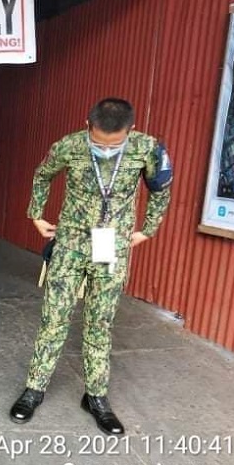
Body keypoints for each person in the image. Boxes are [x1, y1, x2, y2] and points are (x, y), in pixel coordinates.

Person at [9, 97, 172, 435]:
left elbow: (161, 189)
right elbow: (42, 175)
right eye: (99, 143)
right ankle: (34, 389)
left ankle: (96, 396)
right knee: (55, 317)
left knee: (100, 322)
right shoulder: (69, 146)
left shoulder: (147, 149)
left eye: (115, 144)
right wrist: (36, 215)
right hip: (70, 243)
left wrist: (147, 229)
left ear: (131, 130)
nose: (106, 150)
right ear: (88, 127)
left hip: (111, 247)